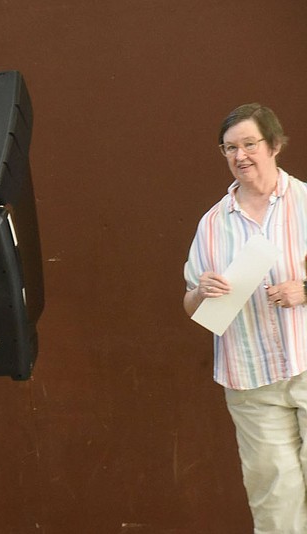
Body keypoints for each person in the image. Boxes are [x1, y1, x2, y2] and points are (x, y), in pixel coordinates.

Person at [183, 103, 307, 533]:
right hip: (251, 377)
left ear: (273, 145)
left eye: (249, 144)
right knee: (274, 497)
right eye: (229, 148)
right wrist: (201, 292)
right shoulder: (213, 224)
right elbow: (190, 304)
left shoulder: (306, 202)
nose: (240, 156)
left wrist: (304, 290)